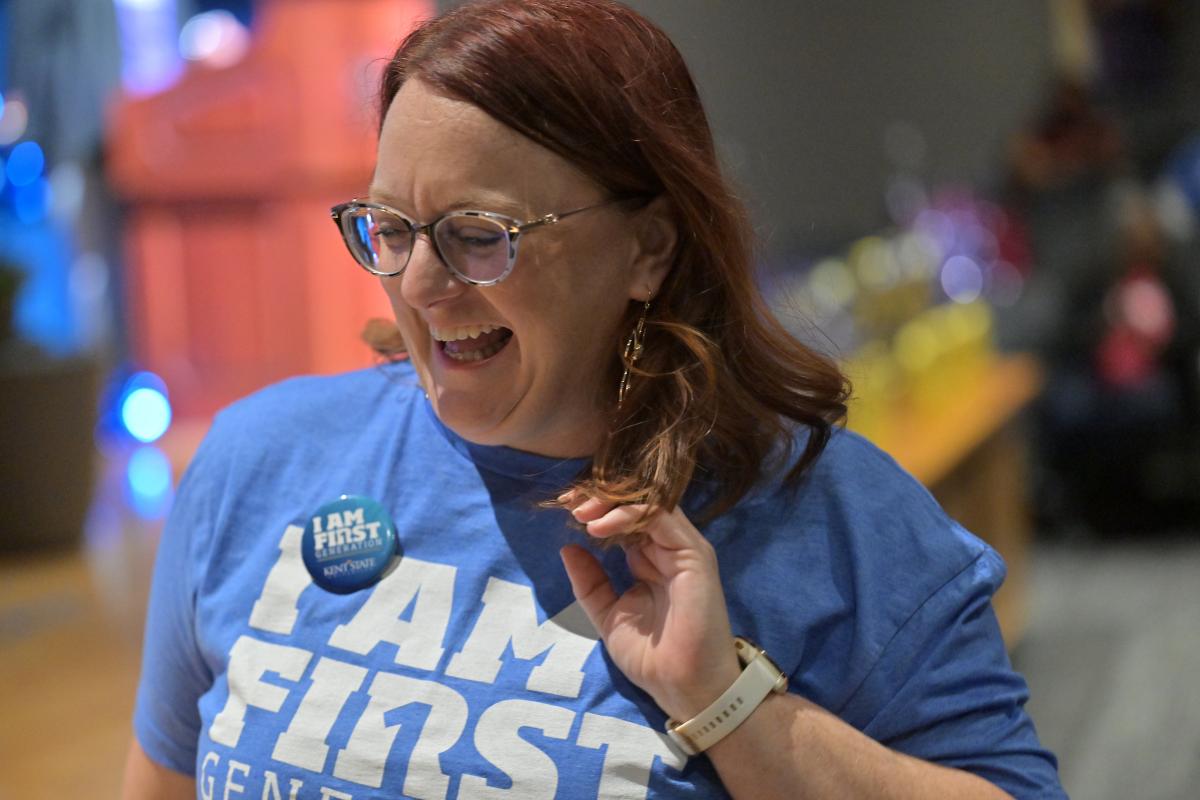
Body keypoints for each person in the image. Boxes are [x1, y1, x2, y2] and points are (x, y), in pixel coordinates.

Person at [123, 1, 1065, 797]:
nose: (418, 284)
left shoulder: (830, 517)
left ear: (649, 247)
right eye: (391, 228)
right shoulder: (259, 461)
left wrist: (727, 703)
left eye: (479, 234)